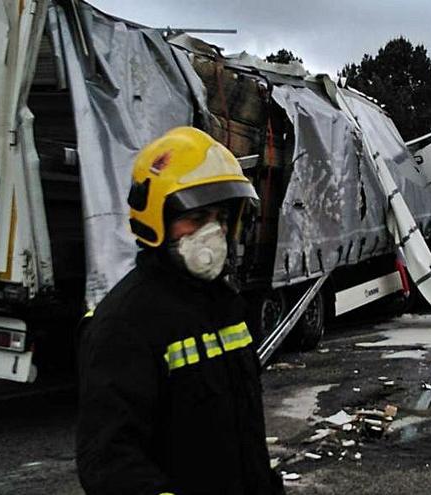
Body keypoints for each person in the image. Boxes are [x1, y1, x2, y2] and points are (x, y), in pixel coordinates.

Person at [76, 127, 285, 495]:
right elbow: (110, 463)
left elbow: (244, 431)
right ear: (156, 220)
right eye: (197, 217)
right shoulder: (124, 324)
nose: (214, 232)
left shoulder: (226, 305)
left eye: (221, 217)